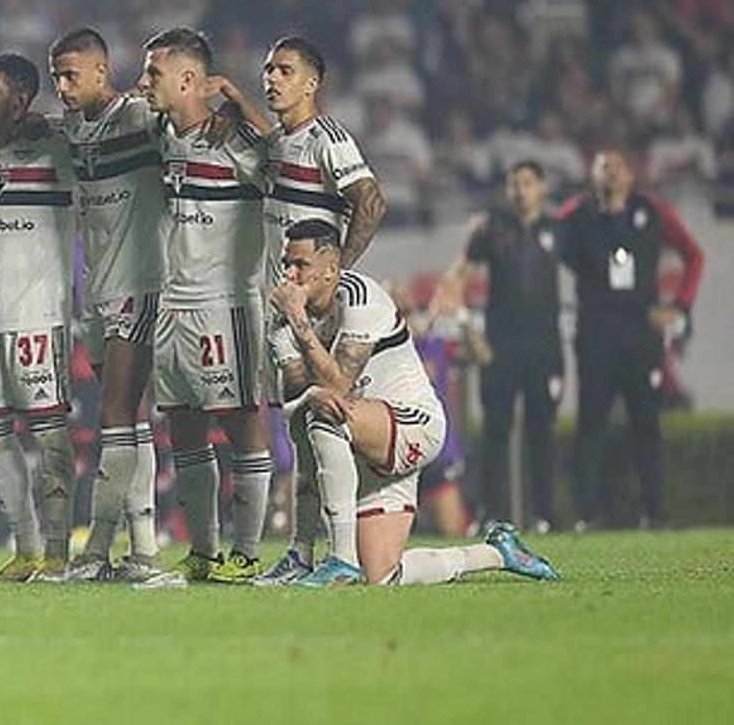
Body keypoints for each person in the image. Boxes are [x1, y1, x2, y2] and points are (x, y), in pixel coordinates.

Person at [268, 220, 560, 586]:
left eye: (300, 265)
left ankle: (335, 558)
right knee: (383, 575)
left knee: (326, 414)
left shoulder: (360, 298)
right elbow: (291, 404)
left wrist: (299, 324)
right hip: (363, 440)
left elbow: (338, 385)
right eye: (286, 264)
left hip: (413, 425)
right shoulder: (280, 320)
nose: (290, 275)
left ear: (331, 267)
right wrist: (308, 391)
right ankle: (497, 552)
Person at [220, 35, 387, 585]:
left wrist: (333, 275)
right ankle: (305, 551)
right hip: (281, 310)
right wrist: (237, 98)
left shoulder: (328, 139)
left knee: (320, 425)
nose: (272, 78)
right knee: (299, 431)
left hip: (311, 314)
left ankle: (332, 550)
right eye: (268, 69)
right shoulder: (281, 144)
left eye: (284, 70)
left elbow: (371, 200)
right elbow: (271, 143)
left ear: (312, 84)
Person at [136, 27, 274, 586]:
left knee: (242, 426)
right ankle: (204, 553)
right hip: (173, 305)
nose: (143, 83)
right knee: (184, 430)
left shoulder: (234, 141)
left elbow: (288, 161)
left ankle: (246, 553)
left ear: (189, 79)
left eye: (154, 74)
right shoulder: (159, 134)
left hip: (226, 304)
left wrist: (243, 104)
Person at [49, 27, 167, 583]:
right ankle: (144, 549)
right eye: (56, 77)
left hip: (140, 283)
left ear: (102, 71)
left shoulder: (141, 117)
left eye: (71, 75)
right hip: (96, 290)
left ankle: (95, 548)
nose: (63, 87)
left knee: (116, 414)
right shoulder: (72, 128)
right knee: (132, 422)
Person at [0, 54, 78, 582]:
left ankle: (57, 551)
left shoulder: (55, 147)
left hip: (39, 314)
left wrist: (52, 122)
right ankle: (25, 546)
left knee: (50, 437)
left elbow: (88, 140)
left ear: (21, 100)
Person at [555, 149, 703, 529]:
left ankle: (653, 511)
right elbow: (548, 238)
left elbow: (693, 255)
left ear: (632, 174)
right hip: (596, 332)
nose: (612, 172)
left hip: (641, 332)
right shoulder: (577, 215)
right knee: (591, 423)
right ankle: (586, 514)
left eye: (619, 165)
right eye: (603, 165)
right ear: (592, 173)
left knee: (646, 423)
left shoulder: (651, 211)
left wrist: (681, 306)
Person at [437, 161, 564, 532]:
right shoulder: (493, 229)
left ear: (542, 187)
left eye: (527, 183)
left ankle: (544, 514)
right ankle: (491, 512)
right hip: (500, 346)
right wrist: (457, 308)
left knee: (542, 430)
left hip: (545, 346)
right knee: (496, 429)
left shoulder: (558, 230)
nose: (520, 191)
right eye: (514, 184)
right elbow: (460, 270)